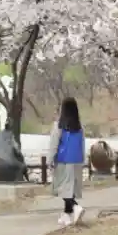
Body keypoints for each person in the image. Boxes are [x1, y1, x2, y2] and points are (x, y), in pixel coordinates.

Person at [48, 97, 85, 227]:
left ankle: (75, 207)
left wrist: (50, 160)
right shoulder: (80, 127)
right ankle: (66, 215)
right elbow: (82, 144)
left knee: (62, 187)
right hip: (77, 160)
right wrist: (82, 160)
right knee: (70, 188)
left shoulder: (59, 126)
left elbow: (54, 145)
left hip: (63, 160)